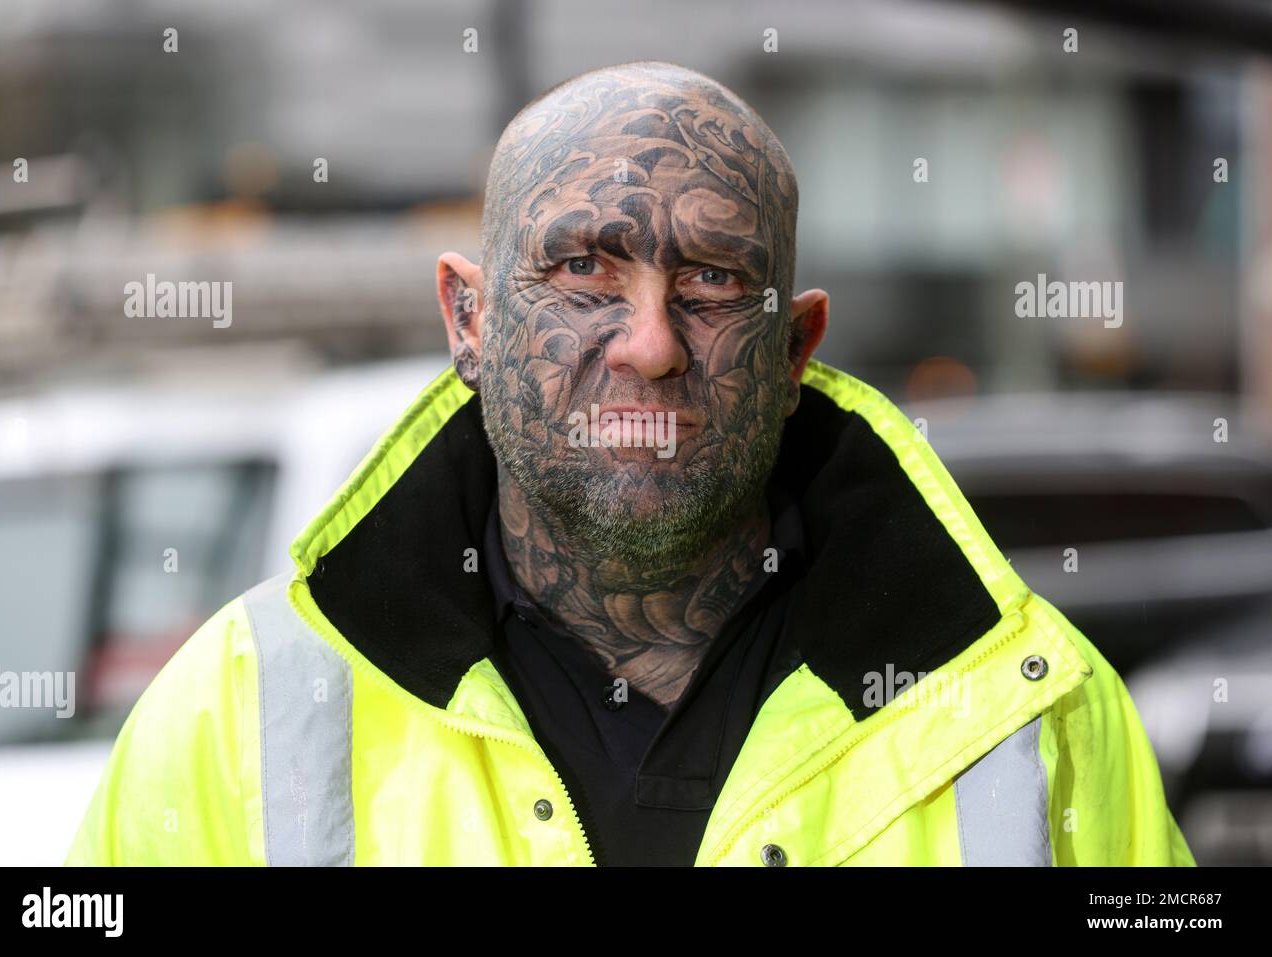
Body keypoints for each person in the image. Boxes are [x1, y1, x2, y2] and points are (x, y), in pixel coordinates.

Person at [67, 60, 1194, 866]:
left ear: (796, 346)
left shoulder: (1027, 709)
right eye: (581, 274)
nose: (649, 345)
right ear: (468, 318)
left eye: (709, 283)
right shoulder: (241, 710)